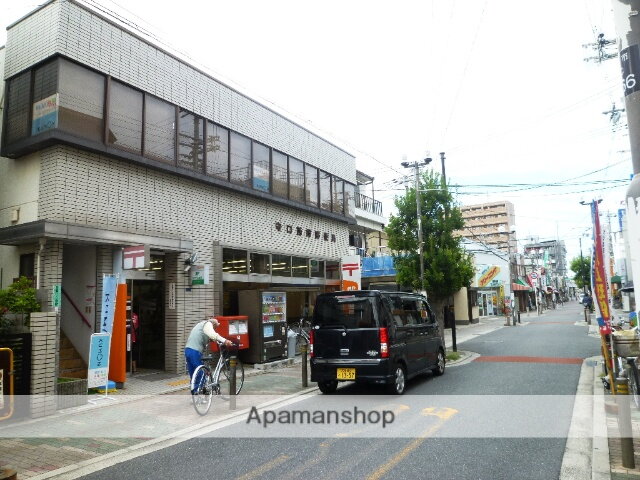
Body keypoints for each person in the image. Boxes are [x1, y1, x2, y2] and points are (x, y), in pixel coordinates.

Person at [184, 316, 233, 389]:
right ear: (214, 324)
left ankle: (194, 391)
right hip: (195, 351)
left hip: (187, 350)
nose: (215, 329)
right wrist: (225, 341)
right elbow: (213, 334)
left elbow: (203, 336)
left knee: (193, 373)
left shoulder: (199, 325)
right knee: (200, 373)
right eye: (215, 328)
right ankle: (200, 391)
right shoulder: (208, 324)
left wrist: (212, 340)